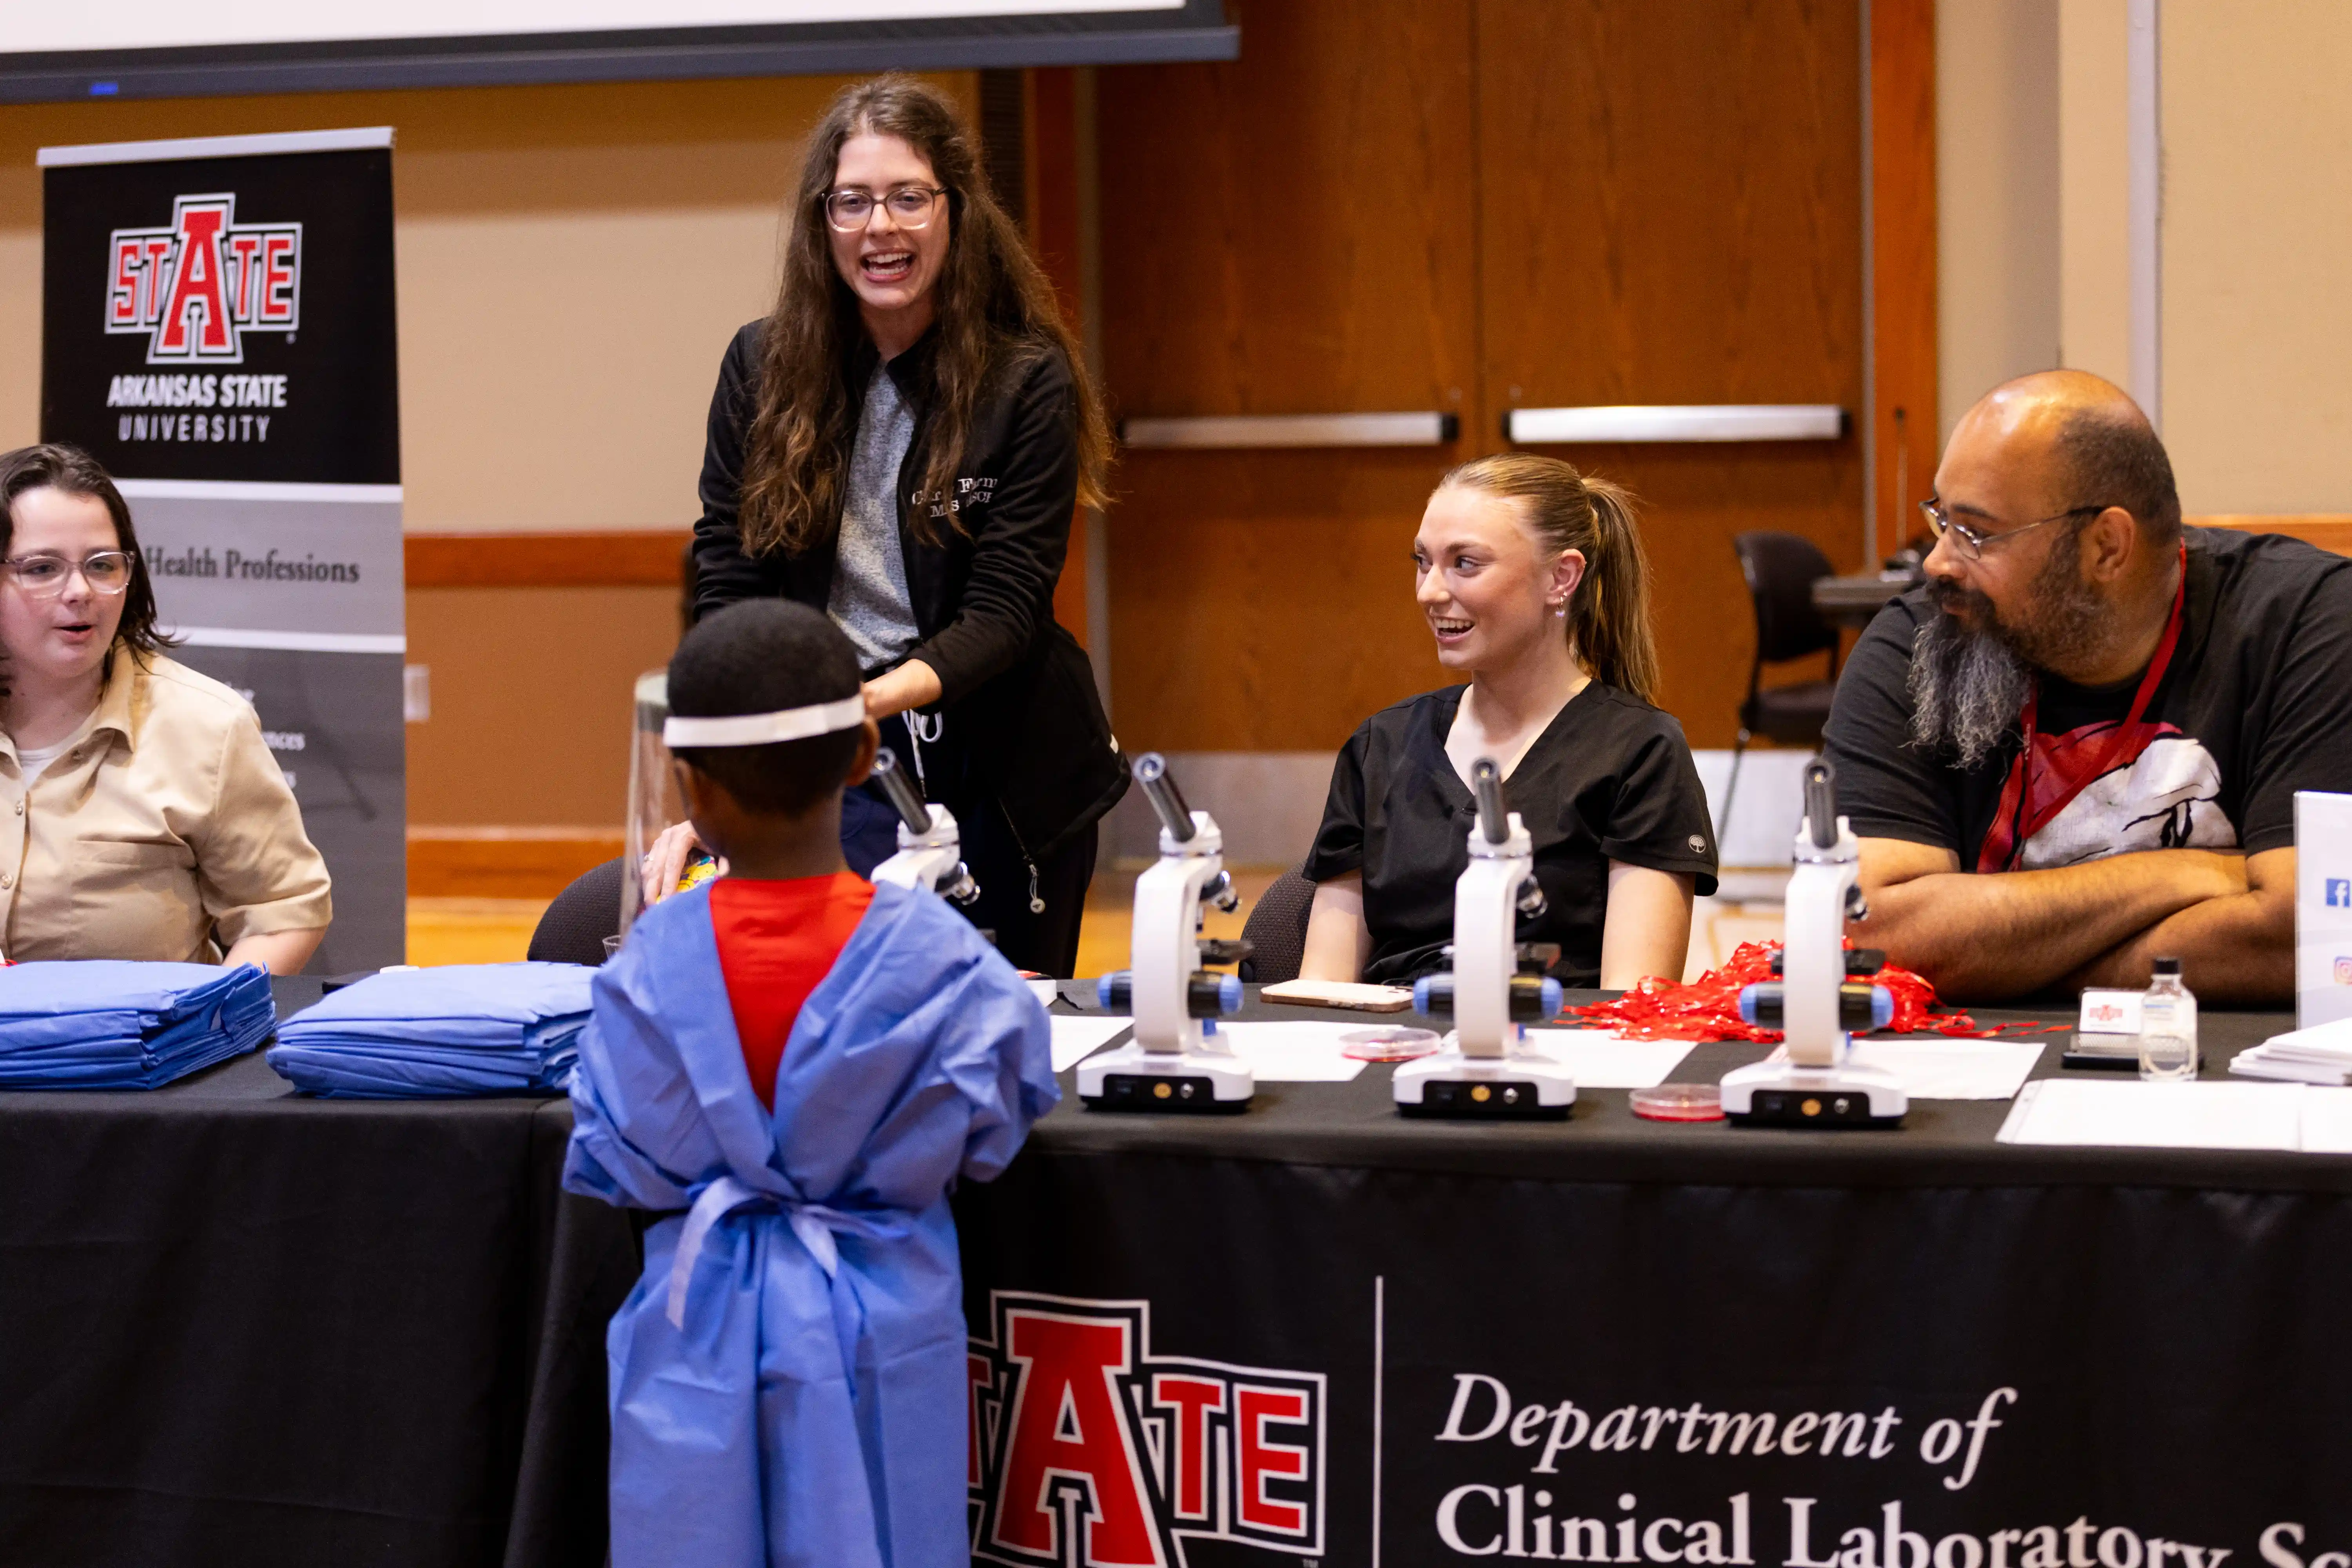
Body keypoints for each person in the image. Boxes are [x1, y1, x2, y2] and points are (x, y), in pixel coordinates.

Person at [564, 599, 1056, 1567]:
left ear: (687, 783)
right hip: (885, 1329)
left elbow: (614, 1152)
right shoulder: (943, 966)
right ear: (866, 749)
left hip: (694, 1329)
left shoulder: (646, 969)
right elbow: (997, 1123)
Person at [680, 73, 1123, 976]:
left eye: (909, 198)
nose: (881, 227)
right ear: (823, 223)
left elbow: (1005, 610)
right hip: (830, 763)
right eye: (853, 202)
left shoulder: (1024, 378)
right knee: (831, 1014)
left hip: (1001, 772)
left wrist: (851, 705)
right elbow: (725, 578)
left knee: (998, 1040)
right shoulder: (760, 363)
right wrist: (726, 762)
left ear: (955, 211)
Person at [1823, 369, 2352, 1004]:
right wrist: (2194, 873)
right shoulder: (1920, 642)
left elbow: (2310, 935)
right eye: (1942, 519)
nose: (1938, 562)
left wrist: (2005, 960)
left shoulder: (2309, 626)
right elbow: (1873, 935)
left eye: (1977, 533)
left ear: (2106, 547)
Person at [1298, 455, 1719, 991]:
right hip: (1394, 1056)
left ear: (1560, 578)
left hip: (1559, 1059)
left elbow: (1631, 1004)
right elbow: (1323, 993)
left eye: (1466, 563)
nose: (1429, 591)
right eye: (1423, 561)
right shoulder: (1379, 745)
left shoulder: (1640, 751)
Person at [0, 444, 328, 971]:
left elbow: (282, 911)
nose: (81, 591)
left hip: (138, 1051)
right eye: (42, 569)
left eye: (102, 565)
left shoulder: (208, 727)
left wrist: (208, 1028)